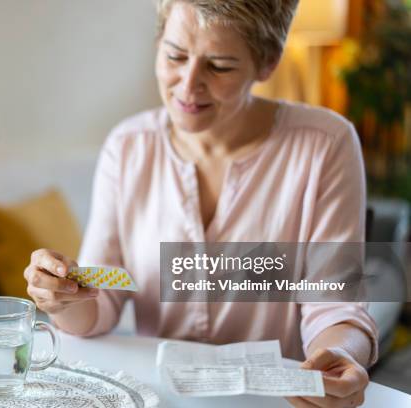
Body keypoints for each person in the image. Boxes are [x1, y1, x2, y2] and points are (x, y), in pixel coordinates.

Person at [23, 1, 378, 406]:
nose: (188, 86)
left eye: (220, 66)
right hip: (155, 398)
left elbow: (336, 306)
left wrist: (342, 356)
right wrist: (62, 297)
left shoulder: (325, 145)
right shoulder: (127, 148)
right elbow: (98, 304)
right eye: (175, 55)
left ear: (267, 63)